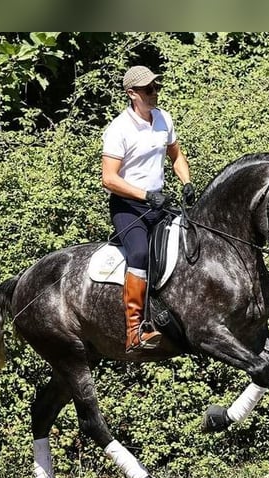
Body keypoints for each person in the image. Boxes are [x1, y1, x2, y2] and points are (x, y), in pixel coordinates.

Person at [101, 65, 196, 353]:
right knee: (140, 253)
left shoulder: (163, 118)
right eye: (148, 89)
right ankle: (134, 331)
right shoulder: (119, 129)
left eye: (156, 87)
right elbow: (109, 178)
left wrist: (187, 181)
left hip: (160, 203)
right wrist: (144, 195)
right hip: (129, 207)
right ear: (132, 94)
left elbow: (176, 156)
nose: (155, 93)